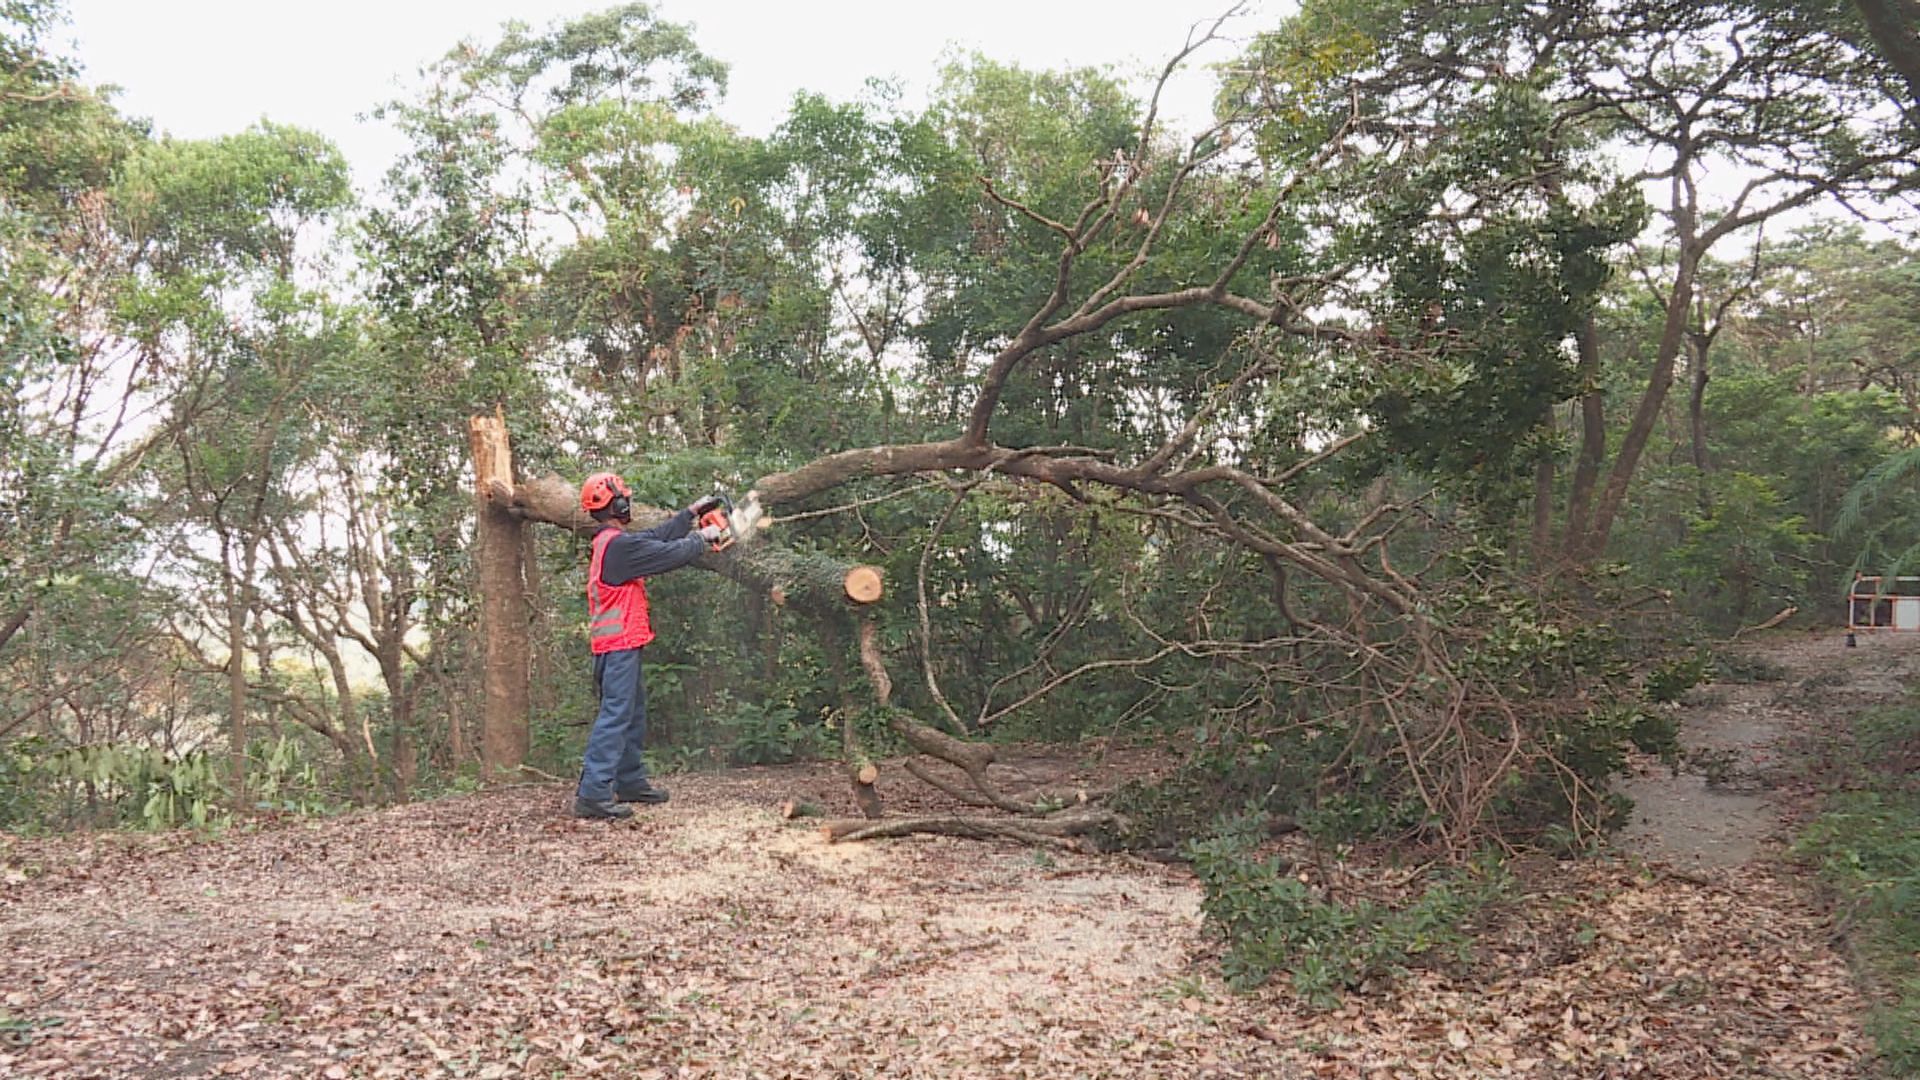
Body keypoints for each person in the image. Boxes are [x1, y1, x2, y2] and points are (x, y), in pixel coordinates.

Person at [573, 472, 727, 820]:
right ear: (618, 504)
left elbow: (656, 537)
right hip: (618, 646)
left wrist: (690, 514)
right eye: (625, 497)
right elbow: (668, 554)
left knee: (631, 713)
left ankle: (628, 780)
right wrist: (704, 538)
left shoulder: (611, 541)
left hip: (618, 644)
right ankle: (593, 794)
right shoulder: (619, 547)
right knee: (615, 717)